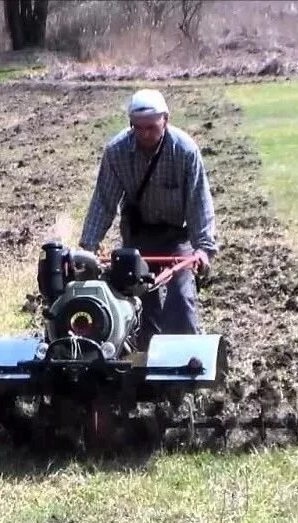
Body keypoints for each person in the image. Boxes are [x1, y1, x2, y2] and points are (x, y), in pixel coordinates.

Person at [78, 88, 217, 343]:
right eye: (138, 128)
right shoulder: (116, 152)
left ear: (166, 120)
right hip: (138, 236)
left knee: (181, 298)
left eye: (151, 127)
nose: (144, 134)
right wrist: (89, 246)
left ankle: (184, 364)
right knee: (139, 303)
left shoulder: (185, 151)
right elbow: (103, 200)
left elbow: (199, 201)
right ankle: (144, 364)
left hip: (176, 237)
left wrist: (203, 249)